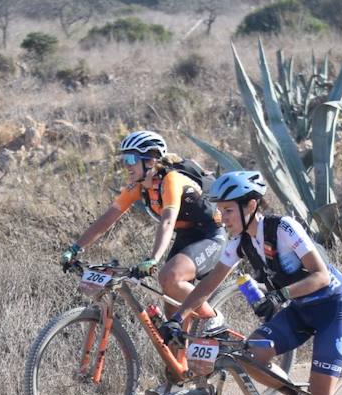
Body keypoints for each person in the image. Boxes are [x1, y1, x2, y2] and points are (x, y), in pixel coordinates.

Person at [162, 171, 342, 395]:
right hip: (299, 311)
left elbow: (321, 275)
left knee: (322, 391)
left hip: (332, 311)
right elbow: (207, 287)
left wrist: (279, 293)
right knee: (251, 354)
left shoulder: (283, 229)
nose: (223, 218)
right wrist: (178, 318)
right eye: (220, 211)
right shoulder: (239, 243)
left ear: (251, 205)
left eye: (230, 211)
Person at [60, 130, 228, 341]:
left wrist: (153, 259)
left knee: (169, 278)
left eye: (131, 159)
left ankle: (212, 317)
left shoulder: (171, 180)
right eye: (124, 159)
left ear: (150, 161)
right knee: (170, 307)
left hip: (210, 234)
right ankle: (183, 367)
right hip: (186, 235)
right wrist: (75, 248)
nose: (126, 165)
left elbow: (167, 221)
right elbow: (106, 220)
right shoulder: (138, 187)